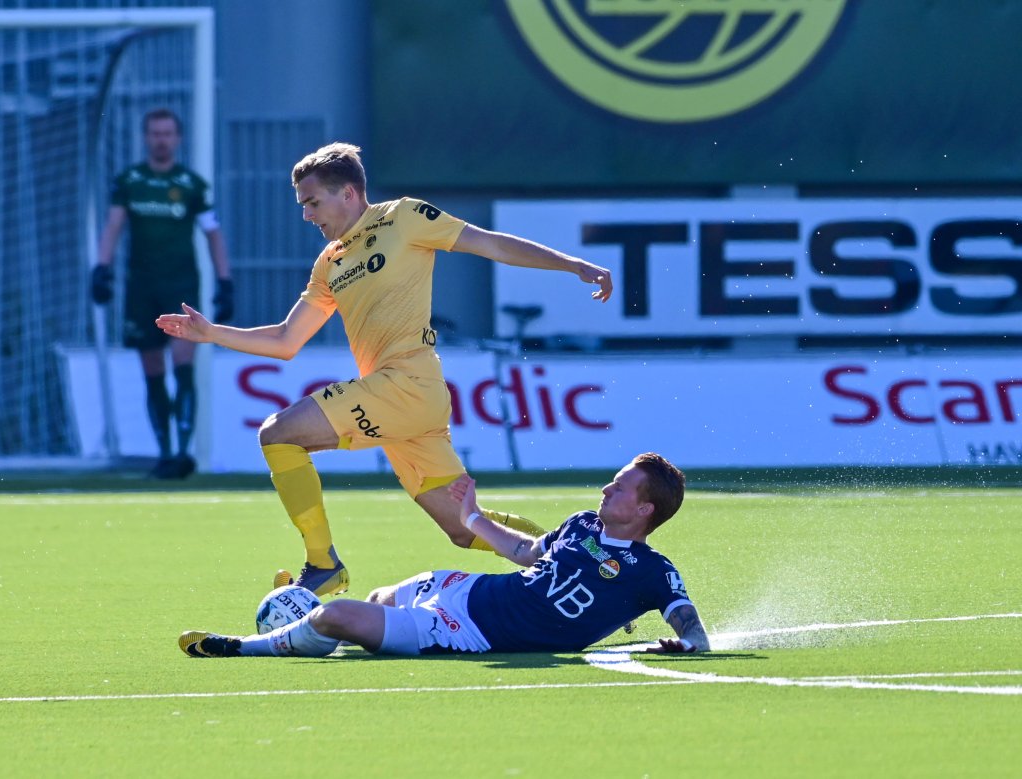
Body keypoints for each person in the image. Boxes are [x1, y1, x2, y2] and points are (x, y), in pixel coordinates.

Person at [157, 142, 612, 594]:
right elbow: (285, 340)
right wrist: (212, 333)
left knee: (278, 433)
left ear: (349, 194)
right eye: (303, 204)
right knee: (464, 526)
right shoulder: (329, 262)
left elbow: (490, 244)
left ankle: (322, 565)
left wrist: (570, 264)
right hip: (401, 401)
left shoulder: (404, 217)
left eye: (313, 202)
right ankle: (576, 563)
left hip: (408, 385)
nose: (307, 215)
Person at [178, 452, 710, 658]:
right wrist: (474, 519)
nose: (604, 490)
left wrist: (685, 644)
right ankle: (316, 633)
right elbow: (527, 552)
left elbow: (693, 629)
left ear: (644, 510)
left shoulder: (653, 572)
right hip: (464, 588)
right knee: (377, 599)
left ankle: (243, 646)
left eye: (619, 488)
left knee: (337, 614)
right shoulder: (582, 525)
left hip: (464, 633)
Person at [93, 108, 233, 479]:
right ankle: (165, 452)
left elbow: (213, 233)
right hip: (140, 286)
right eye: (155, 133)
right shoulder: (129, 181)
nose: (161, 139)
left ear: (178, 138)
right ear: (146, 137)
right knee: (152, 368)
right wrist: (102, 268)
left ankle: (183, 452)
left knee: (182, 363)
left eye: (168, 133)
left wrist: (225, 282)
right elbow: (113, 225)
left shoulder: (191, 185)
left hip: (181, 286)